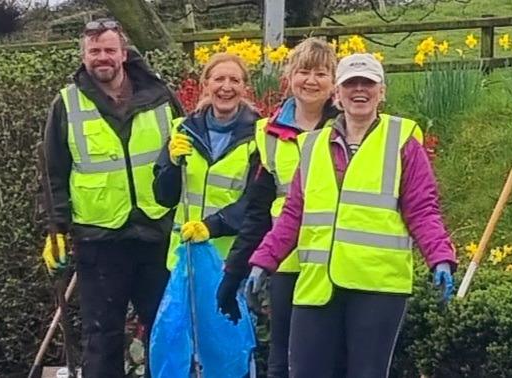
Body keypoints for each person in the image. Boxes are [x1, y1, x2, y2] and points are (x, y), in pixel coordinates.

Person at [246, 53, 457, 378]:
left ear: (381, 91)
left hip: (378, 288)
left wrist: (439, 256)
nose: (360, 90)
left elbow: (422, 209)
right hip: (317, 286)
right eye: (351, 84)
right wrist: (264, 261)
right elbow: (293, 215)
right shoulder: (313, 145)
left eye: (368, 83)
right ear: (338, 94)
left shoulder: (402, 141)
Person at [39, 19, 184, 378]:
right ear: (83, 56)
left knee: (163, 332)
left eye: (108, 50)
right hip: (99, 240)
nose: (102, 58)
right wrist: (54, 228)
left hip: (156, 233)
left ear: (123, 53)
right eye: (94, 51)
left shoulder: (161, 98)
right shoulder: (67, 104)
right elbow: (52, 173)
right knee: (101, 339)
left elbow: (187, 162)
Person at [215, 38, 339, 377]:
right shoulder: (267, 134)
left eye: (321, 73)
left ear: (333, 82)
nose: (311, 81)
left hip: (337, 263)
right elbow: (255, 212)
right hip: (286, 263)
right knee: (282, 359)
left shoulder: (348, 129)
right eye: (303, 72)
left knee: (333, 359)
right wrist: (235, 271)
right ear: (288, 76)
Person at [153, 52, 259, 270]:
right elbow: (164, 198)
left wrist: (212, 226)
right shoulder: (183, 130)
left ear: (245, 88)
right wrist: (172, 166)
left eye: (234, 80)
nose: (226, 87)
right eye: (219, 79)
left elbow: (254, 203)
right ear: (206, 85)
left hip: (230, 259)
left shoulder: (258, 137)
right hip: (184, 257)